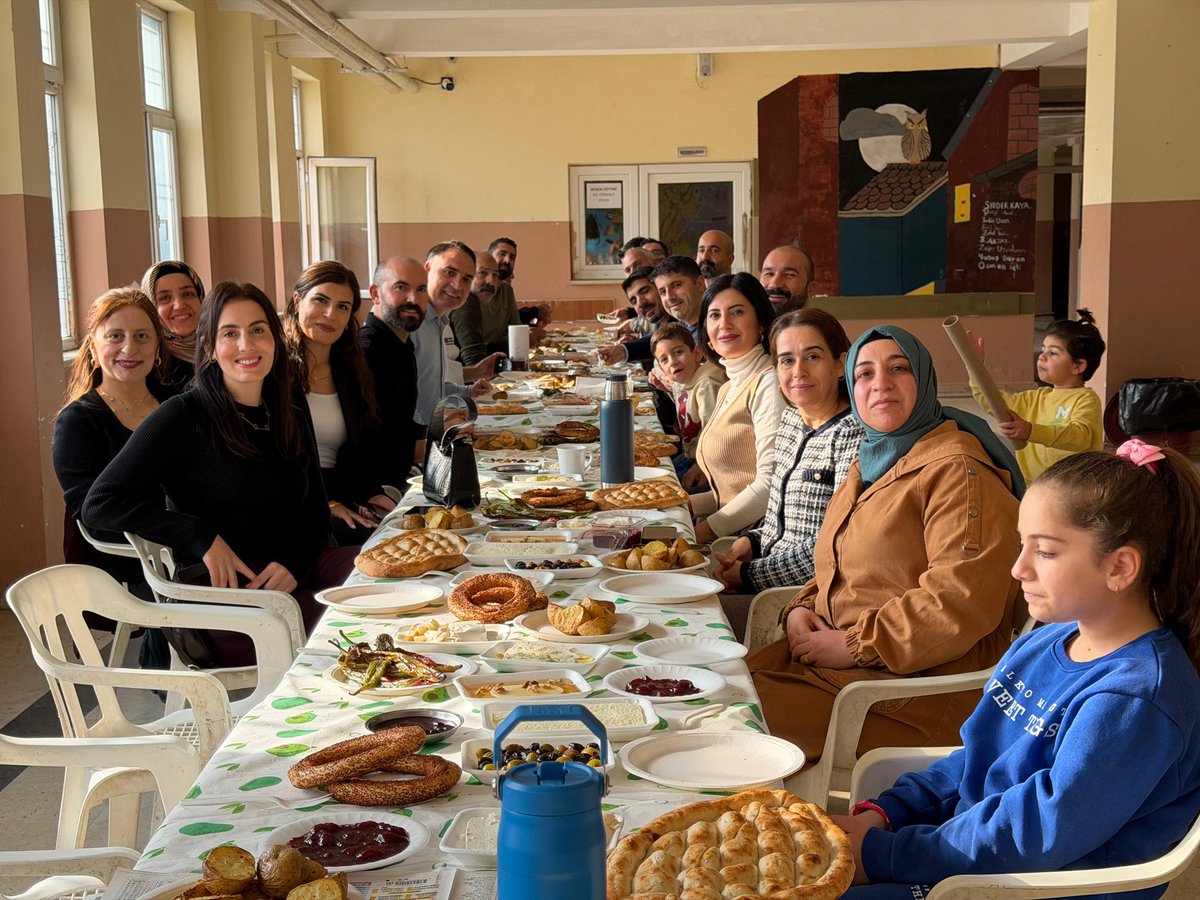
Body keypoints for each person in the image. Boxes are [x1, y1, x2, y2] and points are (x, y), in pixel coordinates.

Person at [836, 442, 1200, 899]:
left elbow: (1036, 832)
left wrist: (886, 856)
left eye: (1044, 552)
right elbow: (976, 756)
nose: (1017, 568)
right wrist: (887, 814)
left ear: (1120, 567)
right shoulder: (1045, 639)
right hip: (973, 863)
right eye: (1020, 544)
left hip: (1032, 887)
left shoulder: (1137, 698)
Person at [747, 325, 1025, 761]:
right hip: (838, 671)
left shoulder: (958, 471)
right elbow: (838, 562)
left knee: (733, 730)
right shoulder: (873, 459)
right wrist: (801, 606)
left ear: (925, 379)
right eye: (865, 373)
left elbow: (958, 601)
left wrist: (856, 644)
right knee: (715, 697)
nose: (881, 384)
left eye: (899, 369)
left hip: (907, 693)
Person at [83, 282, 355, 665]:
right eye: (231, 333)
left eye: (258, 330)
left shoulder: (289, 408)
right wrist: (200, 536)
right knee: (345, 635)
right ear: (210, 348)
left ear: (275, 341)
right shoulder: (182, 415)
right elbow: (100, 504)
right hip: (226, 595)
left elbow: (314, 513)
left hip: (295, 569)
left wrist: (292, 561)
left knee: (386, 585)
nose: (247, 345)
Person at [714, 308, 863, 593]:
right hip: (766, 578)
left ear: (840, 363)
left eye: (813, 357)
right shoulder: (792, 419)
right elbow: (782, 520)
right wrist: (754, 541)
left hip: (805, 597)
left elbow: (836, 543)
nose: (798, 372)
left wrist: (749, 575)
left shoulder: (854, 434)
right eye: (787, 361)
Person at [53, 285, 169, 599]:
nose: (129, 349)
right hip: (130, 563)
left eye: (142, 337)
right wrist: (181, 537)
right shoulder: (78, 422)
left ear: (157, 347)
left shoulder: (177, 406)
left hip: (192, 549)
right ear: (92, 346)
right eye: (115, 336)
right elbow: (95, 515)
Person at [284, 260, 394, 546]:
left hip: (342, 495)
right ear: (298, 301)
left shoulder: (351, 370)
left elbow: (359, 453)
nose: (331, 314)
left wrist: (370, 494)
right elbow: (276, 464)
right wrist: (328, 504)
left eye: (343, 307)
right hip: (295, 505)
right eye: (321, 300)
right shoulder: (275, 371)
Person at [689, 273, 789, 542]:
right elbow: (731, 485)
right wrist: (685, 507)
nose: (725, 324)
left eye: (737, 312)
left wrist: (704, 530)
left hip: (754, 543)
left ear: (760, 323)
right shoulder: (728, 386)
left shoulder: (768, 383)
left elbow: (770, 486)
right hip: (730, 532)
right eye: (714, 315)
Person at [971, 309, 1106, 483]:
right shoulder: (1034, 398)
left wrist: (1031, 431)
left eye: (1053, 353)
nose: (1042, 356)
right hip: (1034, 487)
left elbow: (1080, 436)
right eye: (1043, 349)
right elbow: (993, 401)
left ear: (1078, 366)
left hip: (1073, 491)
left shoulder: (1085, 399)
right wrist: (976, 366)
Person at [411, 241, 492, 429]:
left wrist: (469, 392)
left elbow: (431, 388)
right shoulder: (411, 323)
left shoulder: (439, 321)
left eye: (466, 279)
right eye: (449, 272)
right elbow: (398, 399)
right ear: (427, 270)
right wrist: (439, 422)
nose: (457, 285)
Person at [361, 256, 425, 487]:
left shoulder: (402, 344)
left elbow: (398, 422)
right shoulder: (366, 352)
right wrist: (435, 445)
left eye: (421, 290)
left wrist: (438, 428)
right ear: (375, 294)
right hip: (377, 489)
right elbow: (373, 443)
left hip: (401, 475)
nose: (413, 299)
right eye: (401, 287)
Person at [649, 322, 725, 481]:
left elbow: (715, 435)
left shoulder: (707, 386)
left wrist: (701, 468)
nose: (673, 361)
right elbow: (686, 408)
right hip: (690, 454)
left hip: (706, 461)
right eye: (664, 359)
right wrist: (666, 390)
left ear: (697, 353)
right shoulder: (683, 382)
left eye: (678, 352)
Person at [597, 256, 706, 365]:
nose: (670, 297)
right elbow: (658, 339)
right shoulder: (684, 325)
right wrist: (622, 351)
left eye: (676, 285)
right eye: (663, 292)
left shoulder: (714, 326)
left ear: (700, 284)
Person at [141, 259, 205, 395]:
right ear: (151, 308)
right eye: (165, 298)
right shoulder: (147, 365)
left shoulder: (221, 351)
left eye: (188, 294)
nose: (179, 305)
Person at [448, 248, 518, 368]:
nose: (491, 281)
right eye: (482, 273)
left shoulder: (473, 300)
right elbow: (474, 359)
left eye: (495, 275)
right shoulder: (466, 302)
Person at [759, 244, 814, 314]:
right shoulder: (745, 323)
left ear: (811, 288)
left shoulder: (820, 324)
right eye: (769, 274)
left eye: (790, 275)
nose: (775, 284)